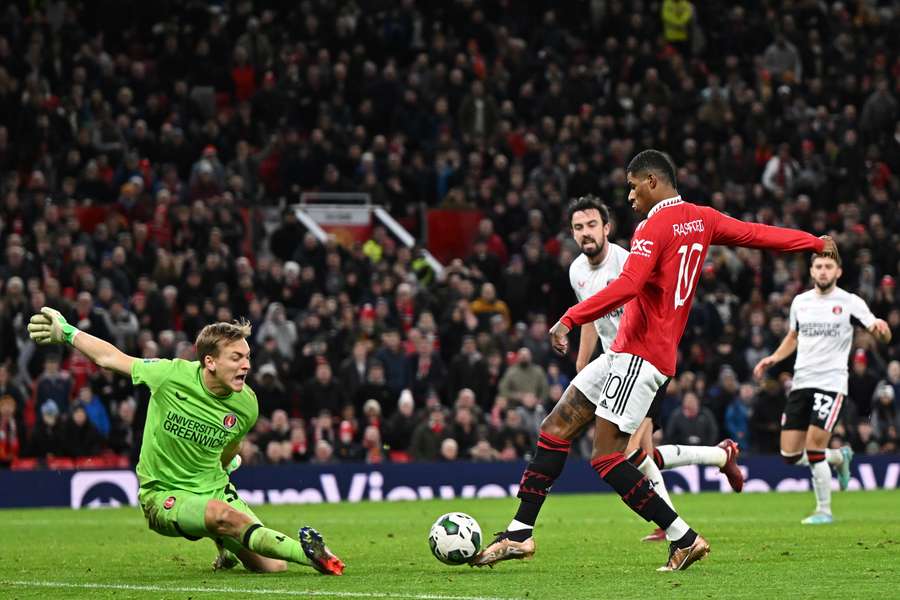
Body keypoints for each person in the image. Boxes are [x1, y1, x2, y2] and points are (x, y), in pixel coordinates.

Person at [545, 150, 832, 571]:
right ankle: (710, 474)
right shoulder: (703, 218)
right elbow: (756, 234)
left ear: (653, 183)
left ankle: (682, 535)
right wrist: (813, 242)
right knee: (632, 453)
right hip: (660, 353)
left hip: (639, 352)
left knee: (608, 457)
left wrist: (570, 317)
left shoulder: (651, 226)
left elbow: (628, 285)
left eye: (633, 185)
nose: (629, 195)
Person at [473, 195, 744, 569]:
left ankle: (681, 533)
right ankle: (520, 533)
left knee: (621, 457)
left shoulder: (629, 259)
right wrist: (583, 365)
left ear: (607, 228)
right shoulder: (577, 271)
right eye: (578, 228)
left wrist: (571, 322)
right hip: (609, 364)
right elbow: (594, 316)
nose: (585, 233)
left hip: (641, 364)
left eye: (591, 225)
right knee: (556, 429)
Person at [27, 306, 345, 575]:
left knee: (273, 568)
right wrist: (66, 332)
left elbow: (230, 450)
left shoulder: (247, 405)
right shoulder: (169, 376)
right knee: (224, 516)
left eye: (247, 356)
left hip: (213, 487)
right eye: (236, 358)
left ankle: (225, 544)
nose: (246, 365)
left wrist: (228, 462)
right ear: (210, 362)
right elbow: (111, 358)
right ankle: (315, 557)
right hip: (164, 494)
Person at [752, 253, 891, 524]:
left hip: (831, 382)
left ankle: (824, 510)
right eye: (819, 266)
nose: (823, 271)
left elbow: (878, 330)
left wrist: (882, 330)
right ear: (812, 271)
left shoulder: (849, 302)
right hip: (802, 382)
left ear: (838, 271)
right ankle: (839, 457)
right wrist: (774, 358)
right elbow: (793, 336)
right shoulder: (800, 302)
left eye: (829, 266)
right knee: (790, 455)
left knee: (814, 448)